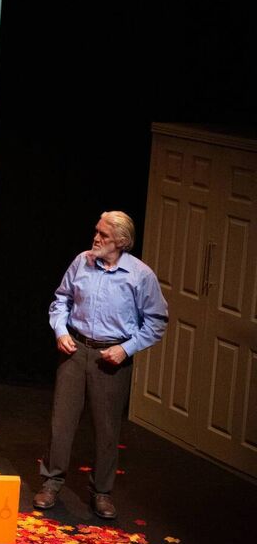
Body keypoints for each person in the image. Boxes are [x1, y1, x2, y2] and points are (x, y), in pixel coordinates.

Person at [35, 211, 168, 519]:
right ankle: (51, 482)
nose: (96, 238)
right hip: (75, 349)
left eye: (104, 235)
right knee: (61, 421)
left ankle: (102, 492)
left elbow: (157, 321)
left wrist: (127, 348)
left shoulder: (140, 275)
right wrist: (60, 330)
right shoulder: (81, 261)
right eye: (96, 232)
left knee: (107, 428)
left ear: (121, 241)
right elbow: (61, 300)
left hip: (111, 357)